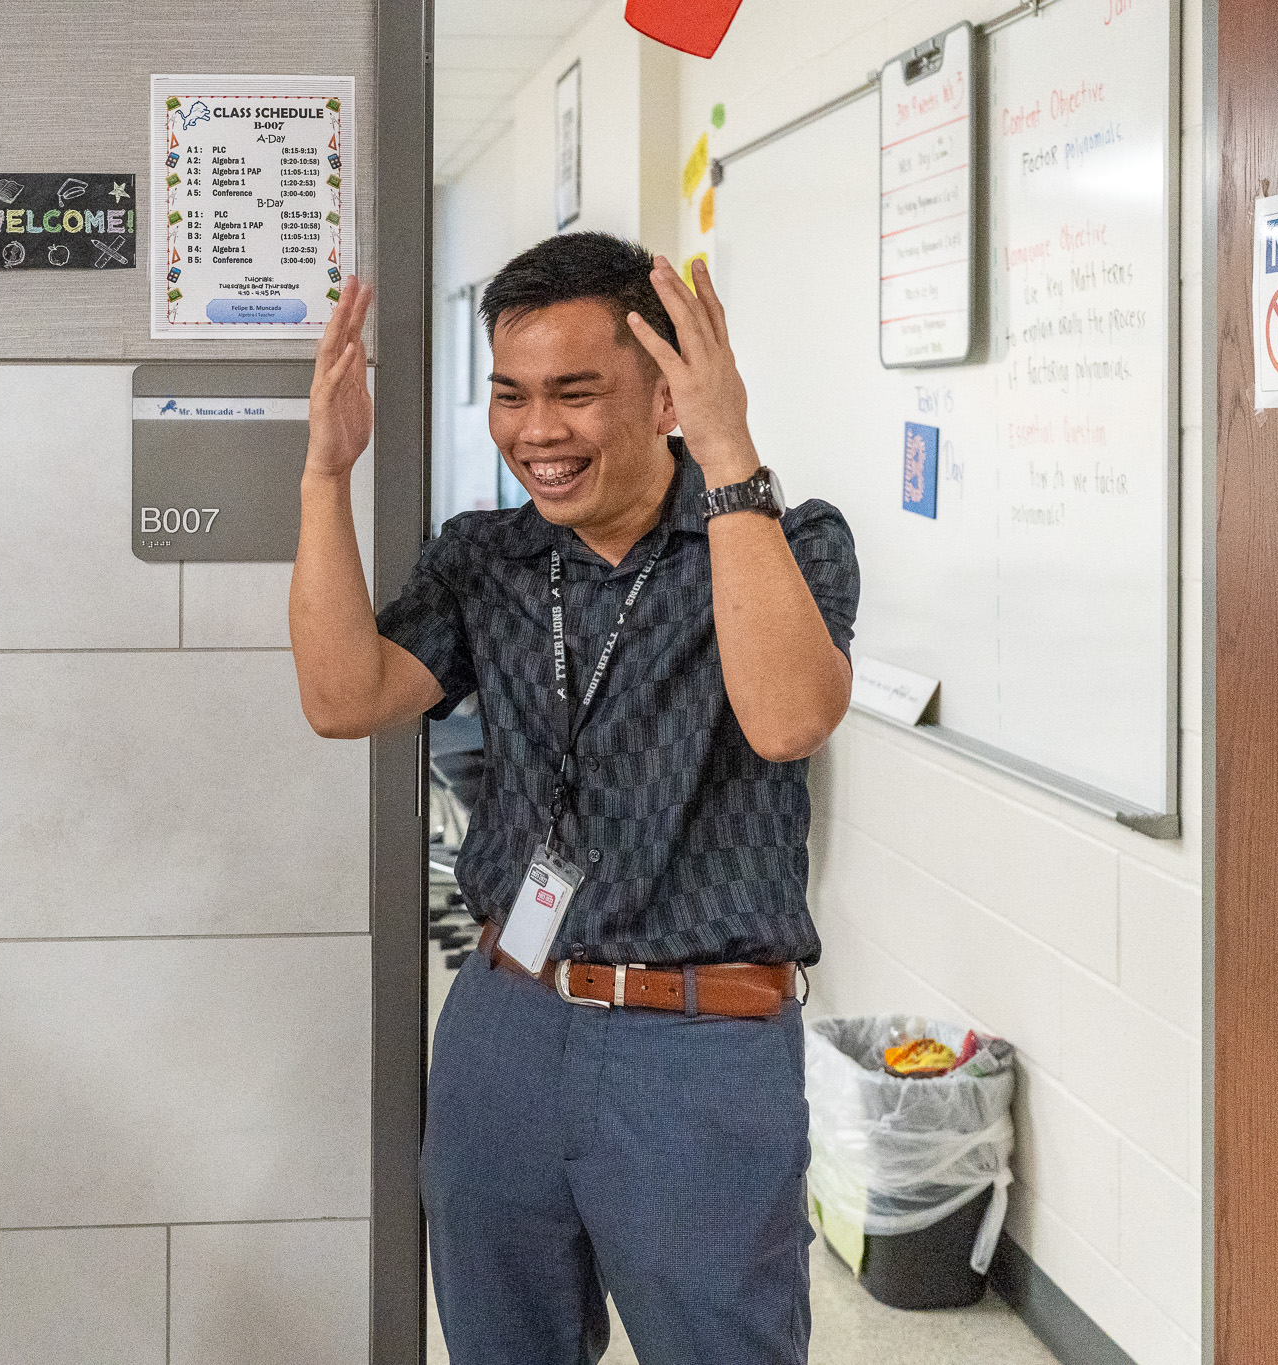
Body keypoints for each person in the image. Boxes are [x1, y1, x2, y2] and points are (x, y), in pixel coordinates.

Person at [290, 232, 858, 1364]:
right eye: (510, 396)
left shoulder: (785, 543)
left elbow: (789, 718)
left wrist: (729, 447)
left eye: (573, 394)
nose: (533, 434)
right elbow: (342, 697)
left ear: (662, 398)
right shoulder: (485, 559)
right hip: (506, 1020)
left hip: (698, 1048)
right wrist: (324, 474)